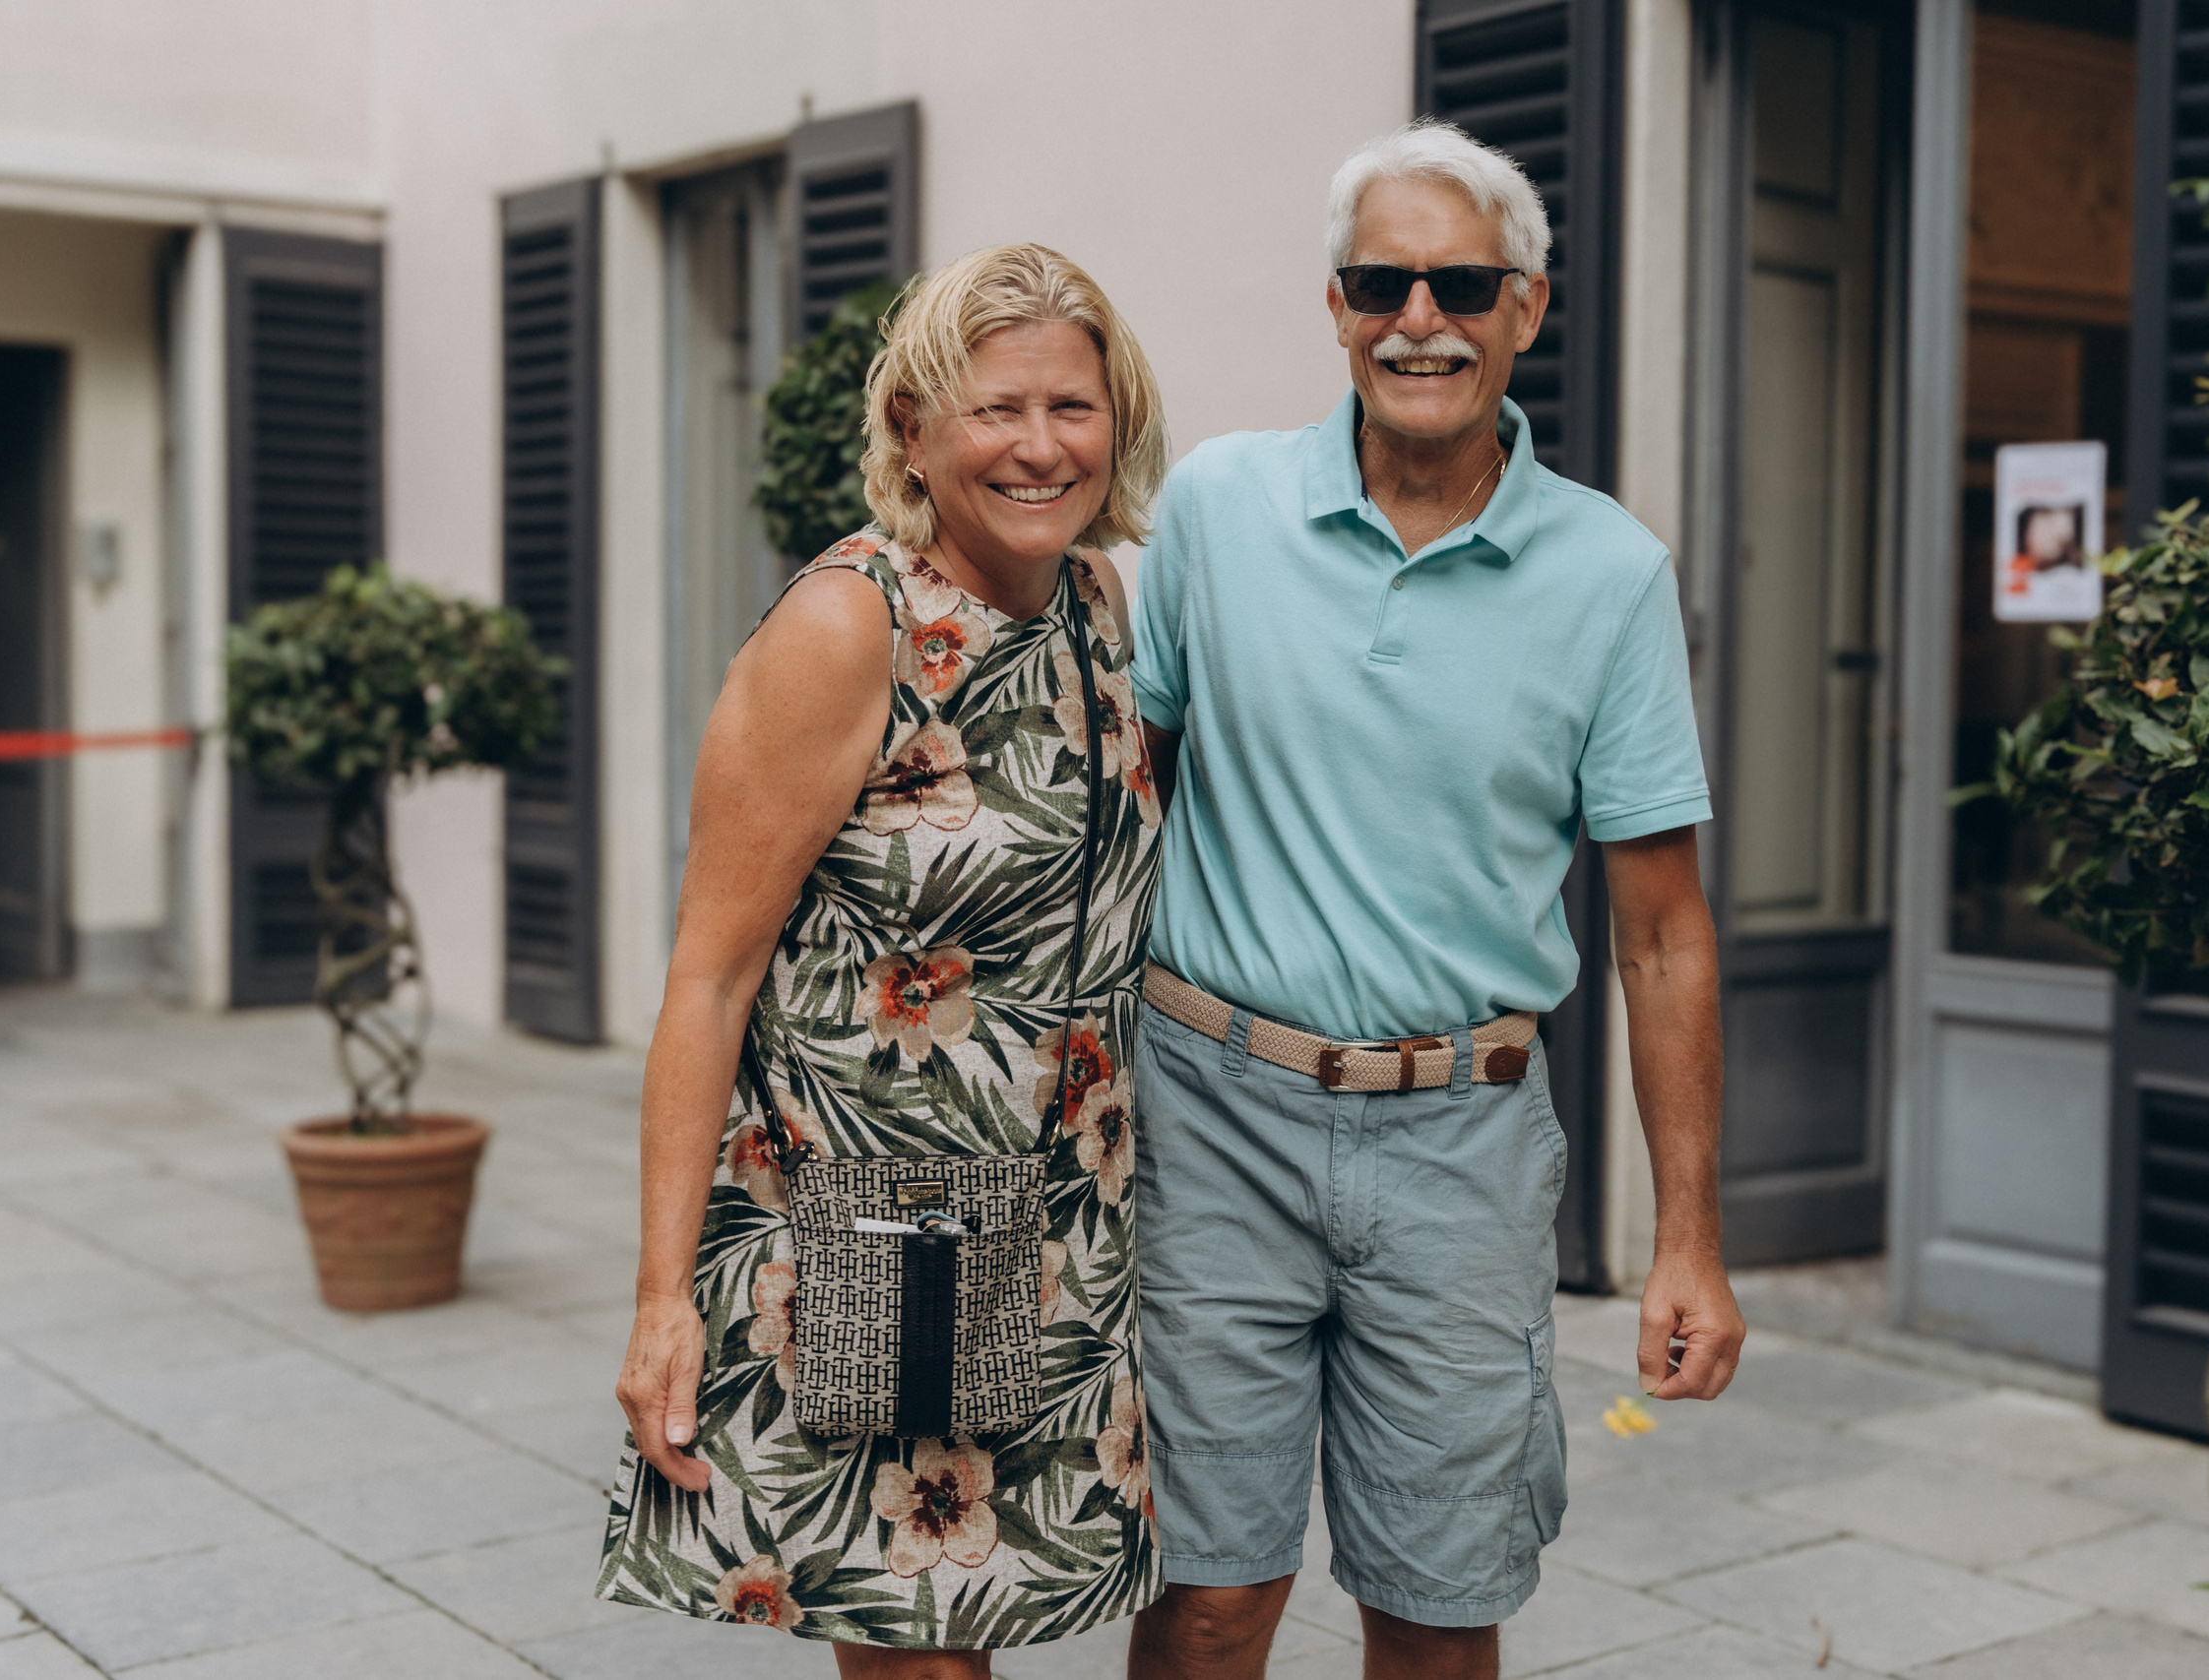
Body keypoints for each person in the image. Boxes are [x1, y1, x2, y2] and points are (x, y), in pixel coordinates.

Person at [1124, 121, 1744, 1680]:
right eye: (1382, 282)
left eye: (1463, 282)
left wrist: (1689, 1238)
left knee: (1440, 1606)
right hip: (1212, 1118)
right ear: (1333, 307)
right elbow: (1123, 796)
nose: (1422, 317)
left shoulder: (1610, 573)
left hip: (1463, 1143)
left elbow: (1662, 932)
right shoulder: (1214, 510)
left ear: (1527, 309)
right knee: (1203, 1603)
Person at [598, 242, 1170, 1666]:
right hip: (889, 1217)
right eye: (995, 410)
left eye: (1072, 408)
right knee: (921, 1648)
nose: (1039, 446)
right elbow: (708, 976)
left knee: (997, 1616)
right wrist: (662, 1298)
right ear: (913, 431)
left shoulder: (1101, 604)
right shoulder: (852, 624)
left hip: (1067, 1213)